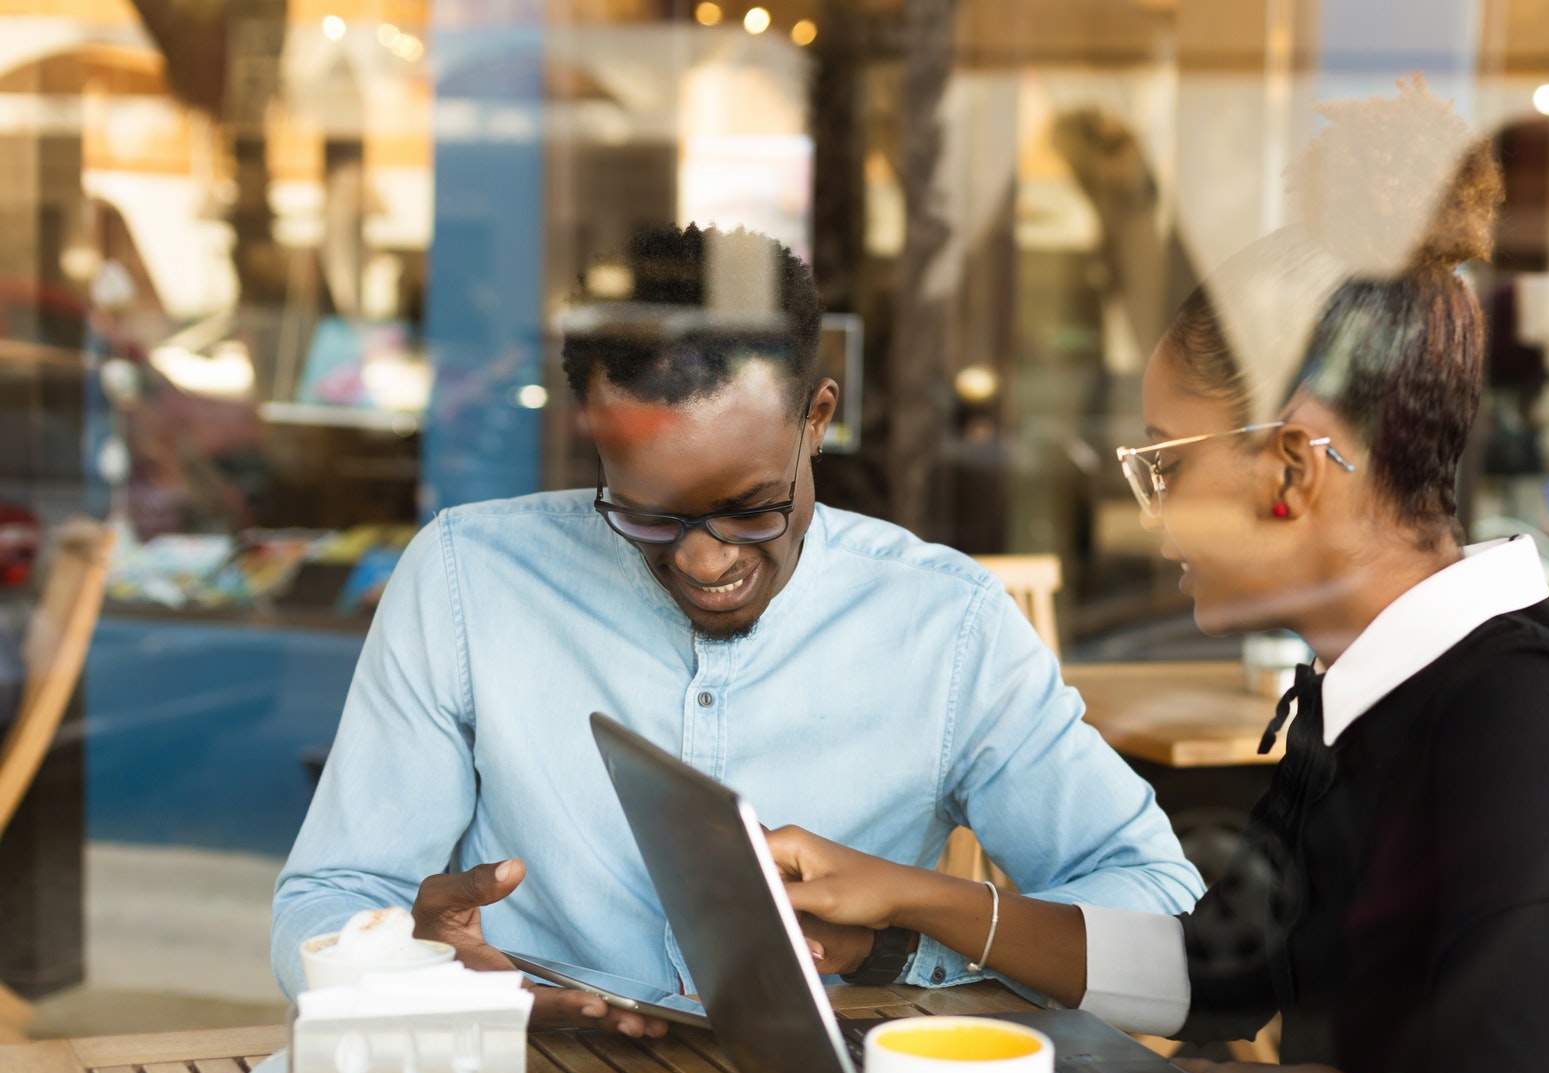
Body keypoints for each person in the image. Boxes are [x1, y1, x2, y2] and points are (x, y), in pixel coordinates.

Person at [766, 88, 1549, 1073]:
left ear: (1292, 462)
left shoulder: (1513, 732)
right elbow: (1224, 975)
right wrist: (907, 893)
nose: (1154, 515)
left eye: (1166, 463)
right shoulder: (1371, 695)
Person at [270, 222, 1203, 1032]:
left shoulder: (945, 626)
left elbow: (1156, 917)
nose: (705, 560)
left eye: (753, 509)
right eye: (647, 516)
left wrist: (902, 946)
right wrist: (410, 969)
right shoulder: (467, 581)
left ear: (818, 421)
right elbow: (330, 896)